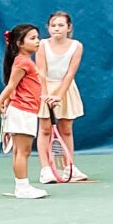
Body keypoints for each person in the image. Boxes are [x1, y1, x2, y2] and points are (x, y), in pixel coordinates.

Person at [0, 23, 48, 198]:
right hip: (22, 111)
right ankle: (22, 187)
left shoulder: (23, 61)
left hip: (24, 110)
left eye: (37, 37)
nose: (38, 41)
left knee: (20, 151)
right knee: (22, 152)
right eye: (32, 38)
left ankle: (22, 185)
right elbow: (11, 85)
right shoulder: (23, 62)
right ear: (19, 43)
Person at [38, 10, 88, 184]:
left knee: (66, 129)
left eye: (60, 25)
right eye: (53, 25)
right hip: (45, 89)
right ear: (48, 28)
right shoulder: (42, 45)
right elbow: (41, 72)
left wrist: (59, 95)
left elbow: (70, 74)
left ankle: (68, 168)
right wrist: (45, 94)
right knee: (44, 130)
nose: (56, 29)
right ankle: (46, 170)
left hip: (66, 90)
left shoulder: (77, 46)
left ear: (69, 27)